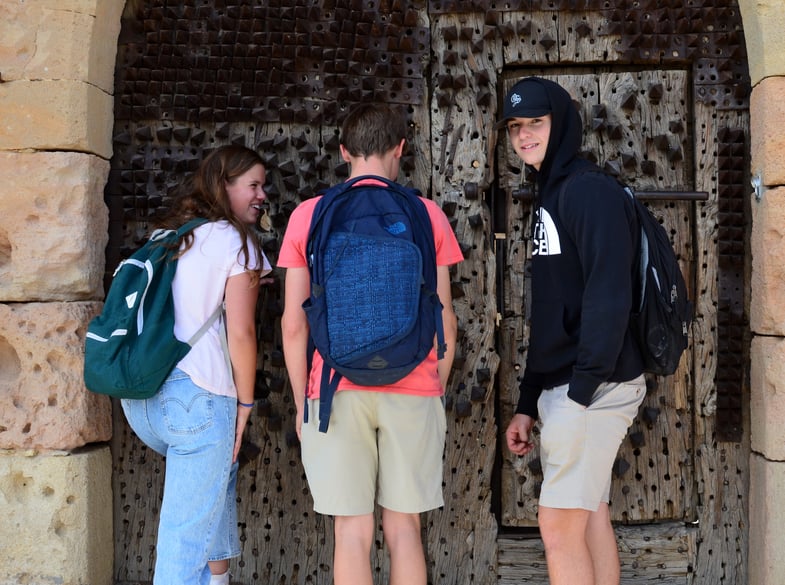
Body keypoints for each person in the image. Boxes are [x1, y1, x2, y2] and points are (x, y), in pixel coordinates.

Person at [278, 103, 463, 585]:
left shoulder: (308, 215)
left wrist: (304, 403)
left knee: (352, 534)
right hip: (415, 386)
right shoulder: (426, 214)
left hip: (335, 390)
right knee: (404, 530)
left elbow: (294, 325)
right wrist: (431, 384)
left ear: (343, 151)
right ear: (400, 149)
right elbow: (446, 319)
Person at [500, 77, 646, 585]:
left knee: (559, 530)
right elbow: (551, 312)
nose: (523, 136)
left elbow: (609, 296)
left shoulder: (587, 191)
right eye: (515, 126)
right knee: (589, 520)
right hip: (572, 388)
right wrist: (528, 400)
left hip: (593, 388)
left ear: (560, 123)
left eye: (535, 123)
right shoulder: (552, 194)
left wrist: (581, 392)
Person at [120, 145, 273, 585]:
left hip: (146, 399)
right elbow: (242, 334)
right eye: (253, 186)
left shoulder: (171, 235)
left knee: (213, 496)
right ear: (224, 185)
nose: (262, 196)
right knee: (184, 544)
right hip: (198, 401)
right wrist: (244, 406)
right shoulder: (236, 241)